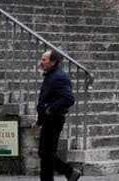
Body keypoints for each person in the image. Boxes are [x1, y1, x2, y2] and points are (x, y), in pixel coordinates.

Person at [34, 50, 83, 181]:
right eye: (42, 59)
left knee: (47, 154)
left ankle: (69, 172)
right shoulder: (50, 75)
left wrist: (51, 109)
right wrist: (39, 121)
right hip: (48, 119)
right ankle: (70, 172)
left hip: (54, 119)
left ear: (53, 62)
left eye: (44, 60)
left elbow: (69, 99)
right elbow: (45, 99)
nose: (41, 62)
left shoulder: (59, 77)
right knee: (44, 153)